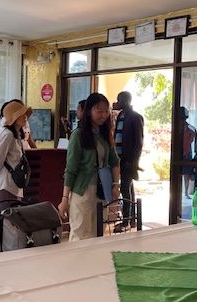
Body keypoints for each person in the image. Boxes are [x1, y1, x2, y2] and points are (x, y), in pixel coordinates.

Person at [58, 93, 120, 241]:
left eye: (106, 111)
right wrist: (65, 198)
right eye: (99, 111)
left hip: (101, 191)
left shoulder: (105, 135)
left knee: (97, 235)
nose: (104, 115)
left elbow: (115, 161)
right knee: (80, 235)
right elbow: (71, 169)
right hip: (82, 191)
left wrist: (115, 184)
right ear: (88, 111)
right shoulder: (78, 135)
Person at [0, 100, 33, 210]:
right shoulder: (8, 135)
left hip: (14, 187)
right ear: (14, 118)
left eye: (25, 114)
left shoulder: (16, 136)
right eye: (21, 114)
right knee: (10, 220)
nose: (25, 117)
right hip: (5, 186)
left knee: (14, 219)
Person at [114, 91, 144, 229]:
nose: (117, 102)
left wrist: (134, 162)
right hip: (119, 159)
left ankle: (126, 221)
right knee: (128, 188)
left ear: (126, 101)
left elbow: (138, 142)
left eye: (119, 100)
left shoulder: (135, 117)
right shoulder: (120, 116)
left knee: (125, 189)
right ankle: (131, 219)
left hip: (128, 160)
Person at [178, 107, 197, 199]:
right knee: (178, 174)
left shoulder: (191, 129)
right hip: (178, 154)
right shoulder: (176, 129)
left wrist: (196, 156)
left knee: (187, 175)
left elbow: (196, 144)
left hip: (187, 154)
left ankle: (186, 192)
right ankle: (179, 193)